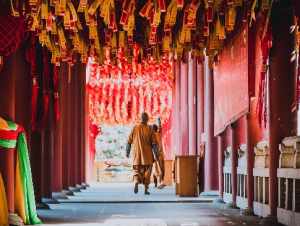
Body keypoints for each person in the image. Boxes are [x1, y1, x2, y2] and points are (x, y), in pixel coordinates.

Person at [126, 112, 158, 195]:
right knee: (147, 173)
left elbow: (129, 142)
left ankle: (136, 182)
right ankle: (146, 189)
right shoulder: (150, 129)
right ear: (147, 119)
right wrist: (156, 155)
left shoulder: (135, 128)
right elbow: (154, 144)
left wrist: (127, 152)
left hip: (136, 156)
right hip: (147, 156)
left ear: (141, 119)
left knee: (136, 171)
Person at [152, 123, 166, 189]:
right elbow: (160, 128)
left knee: (156, 170)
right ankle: (160, 182)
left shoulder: (152, 136)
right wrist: (159, 121)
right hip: (160, 154)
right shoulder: (159, 134)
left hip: (156, 155)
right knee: (161, 169)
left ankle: (157, 183)